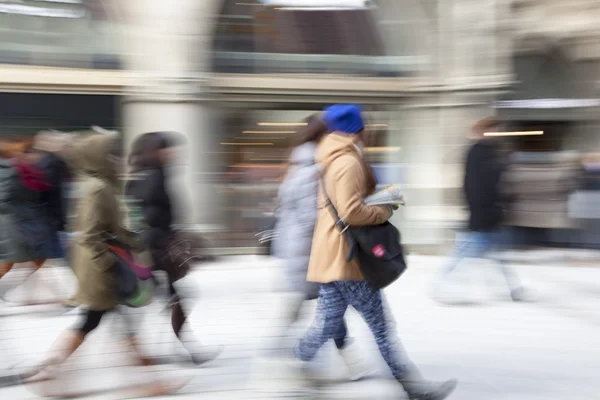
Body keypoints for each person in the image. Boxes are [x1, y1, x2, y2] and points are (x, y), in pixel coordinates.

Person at [291, 105, 457, 400]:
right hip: (349, 256)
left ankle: (290, 368)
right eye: (365, 126)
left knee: (327, 324)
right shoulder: (347, 162)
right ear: (357, 129)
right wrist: (384, 207)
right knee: (381, 326)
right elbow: (352, 212)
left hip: (335, 255)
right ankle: (413, 387)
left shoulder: (333, 158)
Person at [21, 133, 186, 397]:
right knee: (101, 322)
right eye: (111, 154)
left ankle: (51, 376)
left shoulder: (101, 185)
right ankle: (145, 384)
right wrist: (108, 265)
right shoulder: (97, 188)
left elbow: (113, 228)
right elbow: (89, 234)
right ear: (98, 157)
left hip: (101, 270)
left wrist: (133, 242)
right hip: (101, 272)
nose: (117, 159)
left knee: (93, 323)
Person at [270, 114, 370, 380]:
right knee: (329, 310)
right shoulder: (313, 170)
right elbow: (310, 218)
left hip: (301, 251)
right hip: (311, 252)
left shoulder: (301, 165)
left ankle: (347, 361)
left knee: (326, 309)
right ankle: (289, 360)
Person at [126, 131, 219, 366]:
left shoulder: (137, 176)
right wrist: (167, 235)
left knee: (167, 298)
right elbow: (156, 214)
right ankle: (181, 349)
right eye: (167, 149)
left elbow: (136, 213)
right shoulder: (156, 177)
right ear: (157, 151)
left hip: (146, 246)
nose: (173, 153)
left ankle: (185, 348)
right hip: (157, 248)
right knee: (169, 298)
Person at [433, 117, 525, 302]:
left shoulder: (490, 152)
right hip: (482, 215)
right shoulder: (478, 153)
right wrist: (480, 211)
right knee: (465, 254)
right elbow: (475, 186)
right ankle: (442, 286)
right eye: (494, 129)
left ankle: (512, 289)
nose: (498, 133)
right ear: (483, 131)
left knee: (496, 256)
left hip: (490, 214)